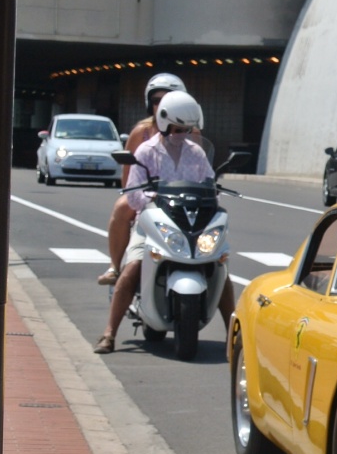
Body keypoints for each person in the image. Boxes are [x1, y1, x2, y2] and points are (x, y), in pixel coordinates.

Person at [93, 91, 234, 354]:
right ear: (163, 122)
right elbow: (133, 193)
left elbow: (209, 184)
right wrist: (152, 195)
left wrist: (213, 192)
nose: (182, 133)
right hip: (153, 223)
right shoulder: (146, 151)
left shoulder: (197, 154)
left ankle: (235, 337)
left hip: (191, 222)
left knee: (220, 265)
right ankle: (109, 333)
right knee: (133, 265)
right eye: (177, 128)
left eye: (187, 129)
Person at [97, 73, 199, 286]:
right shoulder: (141, 133)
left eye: (168, 98)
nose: (161, 105)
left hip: (182, 197)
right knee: (122, 206)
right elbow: (128, 181)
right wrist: (140, 196)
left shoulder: (193, 133)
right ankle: (115, 267)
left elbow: (201, 171)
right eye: (156, 100)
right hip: (148, 196)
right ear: (148, 104)